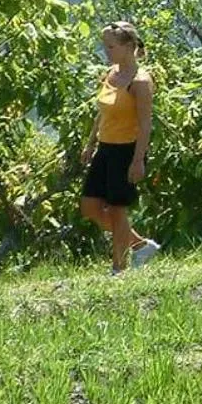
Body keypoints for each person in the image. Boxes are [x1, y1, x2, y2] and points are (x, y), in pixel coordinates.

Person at [79, 20, 161, 273]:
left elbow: (145, 124)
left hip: (126, 150)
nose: (107, 51)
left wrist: (138, 160)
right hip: (105, 147)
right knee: (90, 207)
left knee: (117, 209)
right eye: (105, 46)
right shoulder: (111, 74)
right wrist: (90, 144)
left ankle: (119, 268)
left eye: (111, 46)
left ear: (128, 46)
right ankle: (140, 245)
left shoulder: (140, 82)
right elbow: (102, 113)